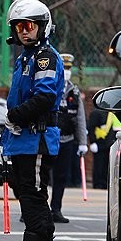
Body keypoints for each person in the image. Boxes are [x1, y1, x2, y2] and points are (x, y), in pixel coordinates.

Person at [1, 0, 65, 241]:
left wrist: (14, 117)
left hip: (36, 138)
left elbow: (44, 97)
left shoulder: (44, 58)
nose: (24, 30)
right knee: (31, 195)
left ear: (42, 26)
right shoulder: (25, 57)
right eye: (19, 26)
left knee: (33, 198)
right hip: (23, 139)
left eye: (29, 25)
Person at [49, 53, 86, 223]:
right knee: (41, 176)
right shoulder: (49, 86)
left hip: (67, 139)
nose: (66, 71)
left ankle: (56, 209)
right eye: (64, 68)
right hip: (48, 138)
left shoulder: (74, 90)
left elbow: (80, 117)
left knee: (61, 177)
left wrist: (83, 143)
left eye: (69, 68)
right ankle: (35, 209)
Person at [88, 104, 121, 189]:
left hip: (109, 143)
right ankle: (98, 183)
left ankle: (104, 183)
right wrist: (92, 141)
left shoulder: (113, 114)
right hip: (99, 143)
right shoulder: (96, 113)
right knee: (98, 165)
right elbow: (91, 127)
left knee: (106, 166)